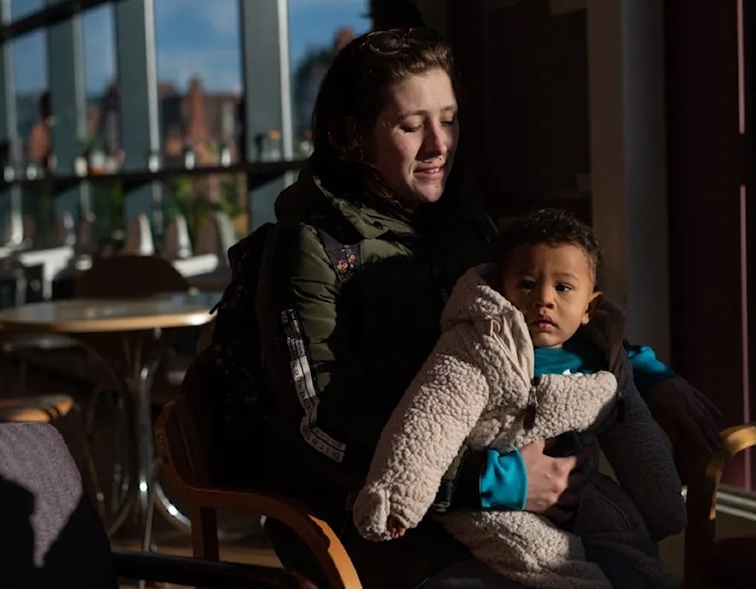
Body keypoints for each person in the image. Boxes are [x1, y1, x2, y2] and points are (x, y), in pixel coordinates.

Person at [254, 28, 719, 589]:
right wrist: (501, 480)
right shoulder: (307, 248)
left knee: (633, 573)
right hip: (373, 516)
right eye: (410, 125)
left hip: (511, 501)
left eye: (447, 119)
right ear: (352, 135)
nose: (438, 145)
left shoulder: (462, 223)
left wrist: (642, 372)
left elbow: (534, 326)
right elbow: (320, 430)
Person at [354, 210, 685, 588]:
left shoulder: (602, 357)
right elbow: (431, 417)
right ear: (502, 289)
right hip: (492, 506)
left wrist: (664, 506)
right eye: (527, 284)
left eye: (562, 288)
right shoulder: (479, 347)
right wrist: (397, 498)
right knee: (558, 566)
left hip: (577, 492)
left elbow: (633, 428)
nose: (544, 299)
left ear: (590, 308)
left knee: (634, 549)